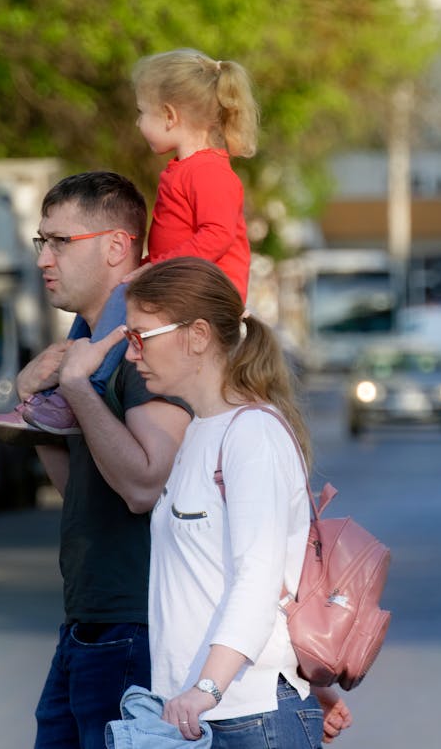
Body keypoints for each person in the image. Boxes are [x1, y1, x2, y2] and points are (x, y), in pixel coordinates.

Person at [85, 256, 354, 748]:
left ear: (197, 335)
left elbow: (258, 577)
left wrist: (208, 687)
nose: (131, 354)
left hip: (245, 717)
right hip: (197, 716)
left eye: (141, 335)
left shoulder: (253, 434)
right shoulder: (197, 434)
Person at [0, 47, 259, 439]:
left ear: (170, 115)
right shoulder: (186, 170)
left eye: (142, 113)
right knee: (92, 313)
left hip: (204, 289)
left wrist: (155, 266)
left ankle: (85, 391)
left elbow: (217, 236)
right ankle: (53, 396)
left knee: (121, 301)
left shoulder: (211, 173)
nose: (137, 123)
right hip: (179, 276)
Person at [18, 172, 193, 749]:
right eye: (39, 242)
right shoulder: (85, 344)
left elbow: (144, 484)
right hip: (88, 623)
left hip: (138, 625)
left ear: (117, 246)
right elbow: (83, 491)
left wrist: (76, 391)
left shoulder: (142, 347)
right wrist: (34, 404)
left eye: (59, 242)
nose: (45, 258)